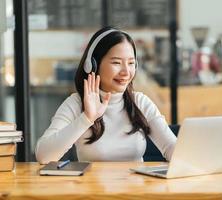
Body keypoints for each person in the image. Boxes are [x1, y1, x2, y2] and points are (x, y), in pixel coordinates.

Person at [35, 27, 177, 164]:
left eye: (131, 63)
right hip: (93, 188)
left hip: (135, 188)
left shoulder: (140, 102)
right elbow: (43, 156)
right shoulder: (76, 103)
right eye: (116, 62)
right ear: (92, 65)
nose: (126, 72)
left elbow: (172, 148)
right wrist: (87, 118)